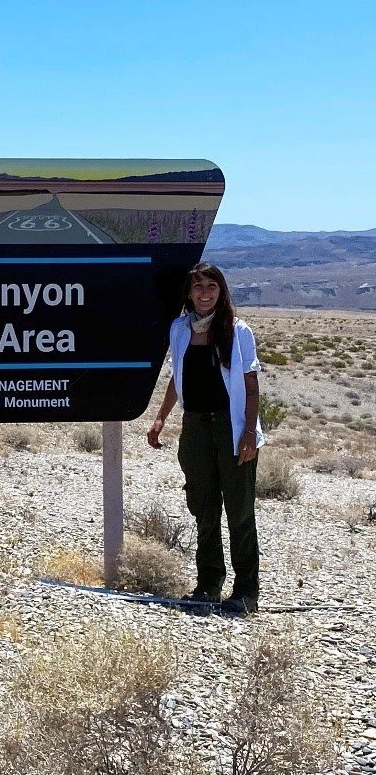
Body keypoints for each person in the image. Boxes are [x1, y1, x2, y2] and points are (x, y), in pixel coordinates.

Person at [147, 262, 264, 614]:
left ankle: (246, 590)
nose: (204, 293)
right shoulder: (180, 329)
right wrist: (160, 418)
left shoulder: (237, 330)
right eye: (198, 287)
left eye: (211, 286)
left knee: (240, 511)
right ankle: (208, 584)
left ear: (221, 290)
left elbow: (251, 386)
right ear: (189, 293)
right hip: (195, 426)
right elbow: (177, 376)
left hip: (231, 426)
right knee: (204, 508)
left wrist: (248, 432)